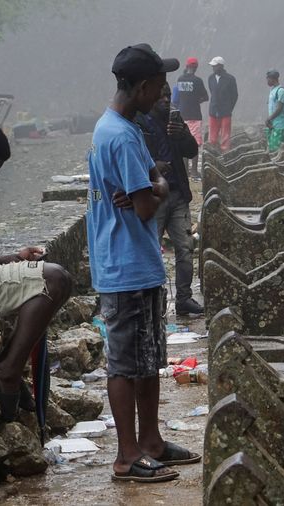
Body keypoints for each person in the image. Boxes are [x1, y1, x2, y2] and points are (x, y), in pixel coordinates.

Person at [87, 43, 199, 484]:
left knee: (149, 357)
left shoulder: (125, 127)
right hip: (125, 264)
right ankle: (126, 456)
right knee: (125, 363)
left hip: (140, 262)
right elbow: (150, 204)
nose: (164, 92)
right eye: (159, 85)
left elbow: (154, 185)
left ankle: (150, 441)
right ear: (142, 86)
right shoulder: (117, 134)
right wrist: (158, 186)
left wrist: (155, 185)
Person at [0, 123, 72, 423]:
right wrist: (12, 259)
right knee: (54, 278)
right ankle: (8, 369)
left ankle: (6, 365)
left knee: (56, 278)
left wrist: (15, 261)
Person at [137, 82, 203, 316]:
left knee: (185, 248)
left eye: (168, 96)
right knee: (152, 250)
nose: (166, 100)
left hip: (178, 195)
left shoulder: (174, 119)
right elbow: (133, 158)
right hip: (153, 197)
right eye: (161, 96)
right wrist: (154, 165)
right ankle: (156, 299)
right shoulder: (139, 123)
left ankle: (184, 298)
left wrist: (182, 134)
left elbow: (192, 151)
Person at [174, 56, 208, 179]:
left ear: (186, 66)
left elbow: (177, 97)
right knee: (195, 143)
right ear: (196, 67)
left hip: (182, 115)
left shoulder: (180, 79)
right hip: (194, 116)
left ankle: (185, 171)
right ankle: (194, 171)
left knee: (183, 141)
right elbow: (205, 96)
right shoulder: (198, 81)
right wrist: (197, 100)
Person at [207, 56, 237, 151]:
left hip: (225, 111)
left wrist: (229, 107)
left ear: (221, 66)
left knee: (225, 135)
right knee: (212, 135)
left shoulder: (230, 79)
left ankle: (225, 153)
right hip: (213, 110)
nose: (213, 68)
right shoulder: (210, 78)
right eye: (212, 66)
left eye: (215, 66)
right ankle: (213, 151)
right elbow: (212, 92)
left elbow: (234, 95)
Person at [265, 69, 284, 152]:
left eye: (268, 79)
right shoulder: (272, 90)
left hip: (279, 126)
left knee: (278, 151)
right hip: (272, 125)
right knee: (272, 149)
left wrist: (269, 118)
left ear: (273, 79)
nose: (267, 81)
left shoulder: (280, 90)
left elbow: (279, 109)